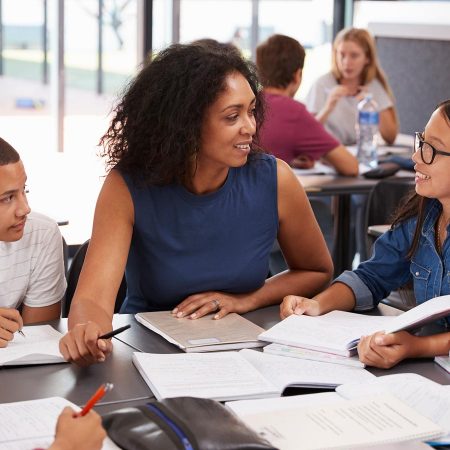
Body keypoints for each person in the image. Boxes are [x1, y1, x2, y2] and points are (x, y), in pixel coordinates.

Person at [60, 43, 333, 366]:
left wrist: (246, 300)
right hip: (149, 355)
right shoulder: (126, 187)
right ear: (185, 124)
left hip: (248, 354)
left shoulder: (275, 179)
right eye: (232, 116)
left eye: (251, 110)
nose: (250, 126)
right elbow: (92, 300)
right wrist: (86, 333)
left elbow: (317, 270)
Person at [280, 100, 450, 369]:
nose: (416, 158)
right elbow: (371, 278)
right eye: (421, 142)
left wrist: (416, 347)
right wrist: (315, 305)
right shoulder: (423, 217)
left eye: (431, 150)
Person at [256, 34, 358, 176]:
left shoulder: (249, 102)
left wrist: (289, 160)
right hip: (267, 197)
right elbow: (351, 167)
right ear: (297, 75)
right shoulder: (293, 112)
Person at [0, 138, 66, 348]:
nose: (25, 209)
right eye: (7, 198)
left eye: (24, 190)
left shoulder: (41, 234)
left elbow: (36, 344)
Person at [306, 27, 398, 146]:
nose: (346, 62)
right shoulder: (322, 84)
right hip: (328, 155)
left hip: (359, 154)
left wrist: (373, 105)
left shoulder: (373, 86)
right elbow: (306, 134)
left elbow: (390, 137)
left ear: (368, 58)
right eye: (342, 55)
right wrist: (328, 108)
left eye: (354, 56)